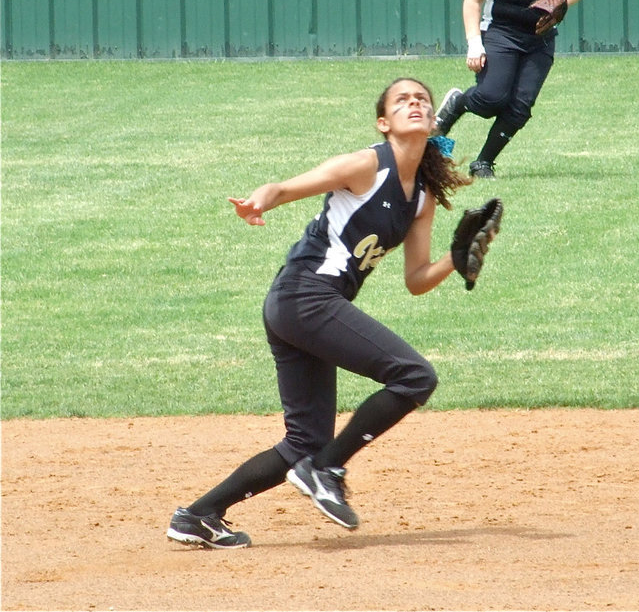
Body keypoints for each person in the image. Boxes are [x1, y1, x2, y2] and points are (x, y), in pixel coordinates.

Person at [166, 78, 472, 548]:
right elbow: (287, 187)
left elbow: (416, 280)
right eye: (402, 100)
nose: (415, 103)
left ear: (433, 122)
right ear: (383, 122)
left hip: (302, 308)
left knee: (304, 443)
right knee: (414, 376)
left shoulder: (422, 198)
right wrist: (259, 200)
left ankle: (199, 514)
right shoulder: (366, 164)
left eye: (422, 100)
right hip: (304, 297)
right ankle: (327, 468)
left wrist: (457, 255)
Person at [435, 0, 585, 179]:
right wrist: (474, 44)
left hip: (539, 37)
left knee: (520, 106)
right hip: (500, 33)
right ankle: (457, 103)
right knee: (491, 99)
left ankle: (483, 163)